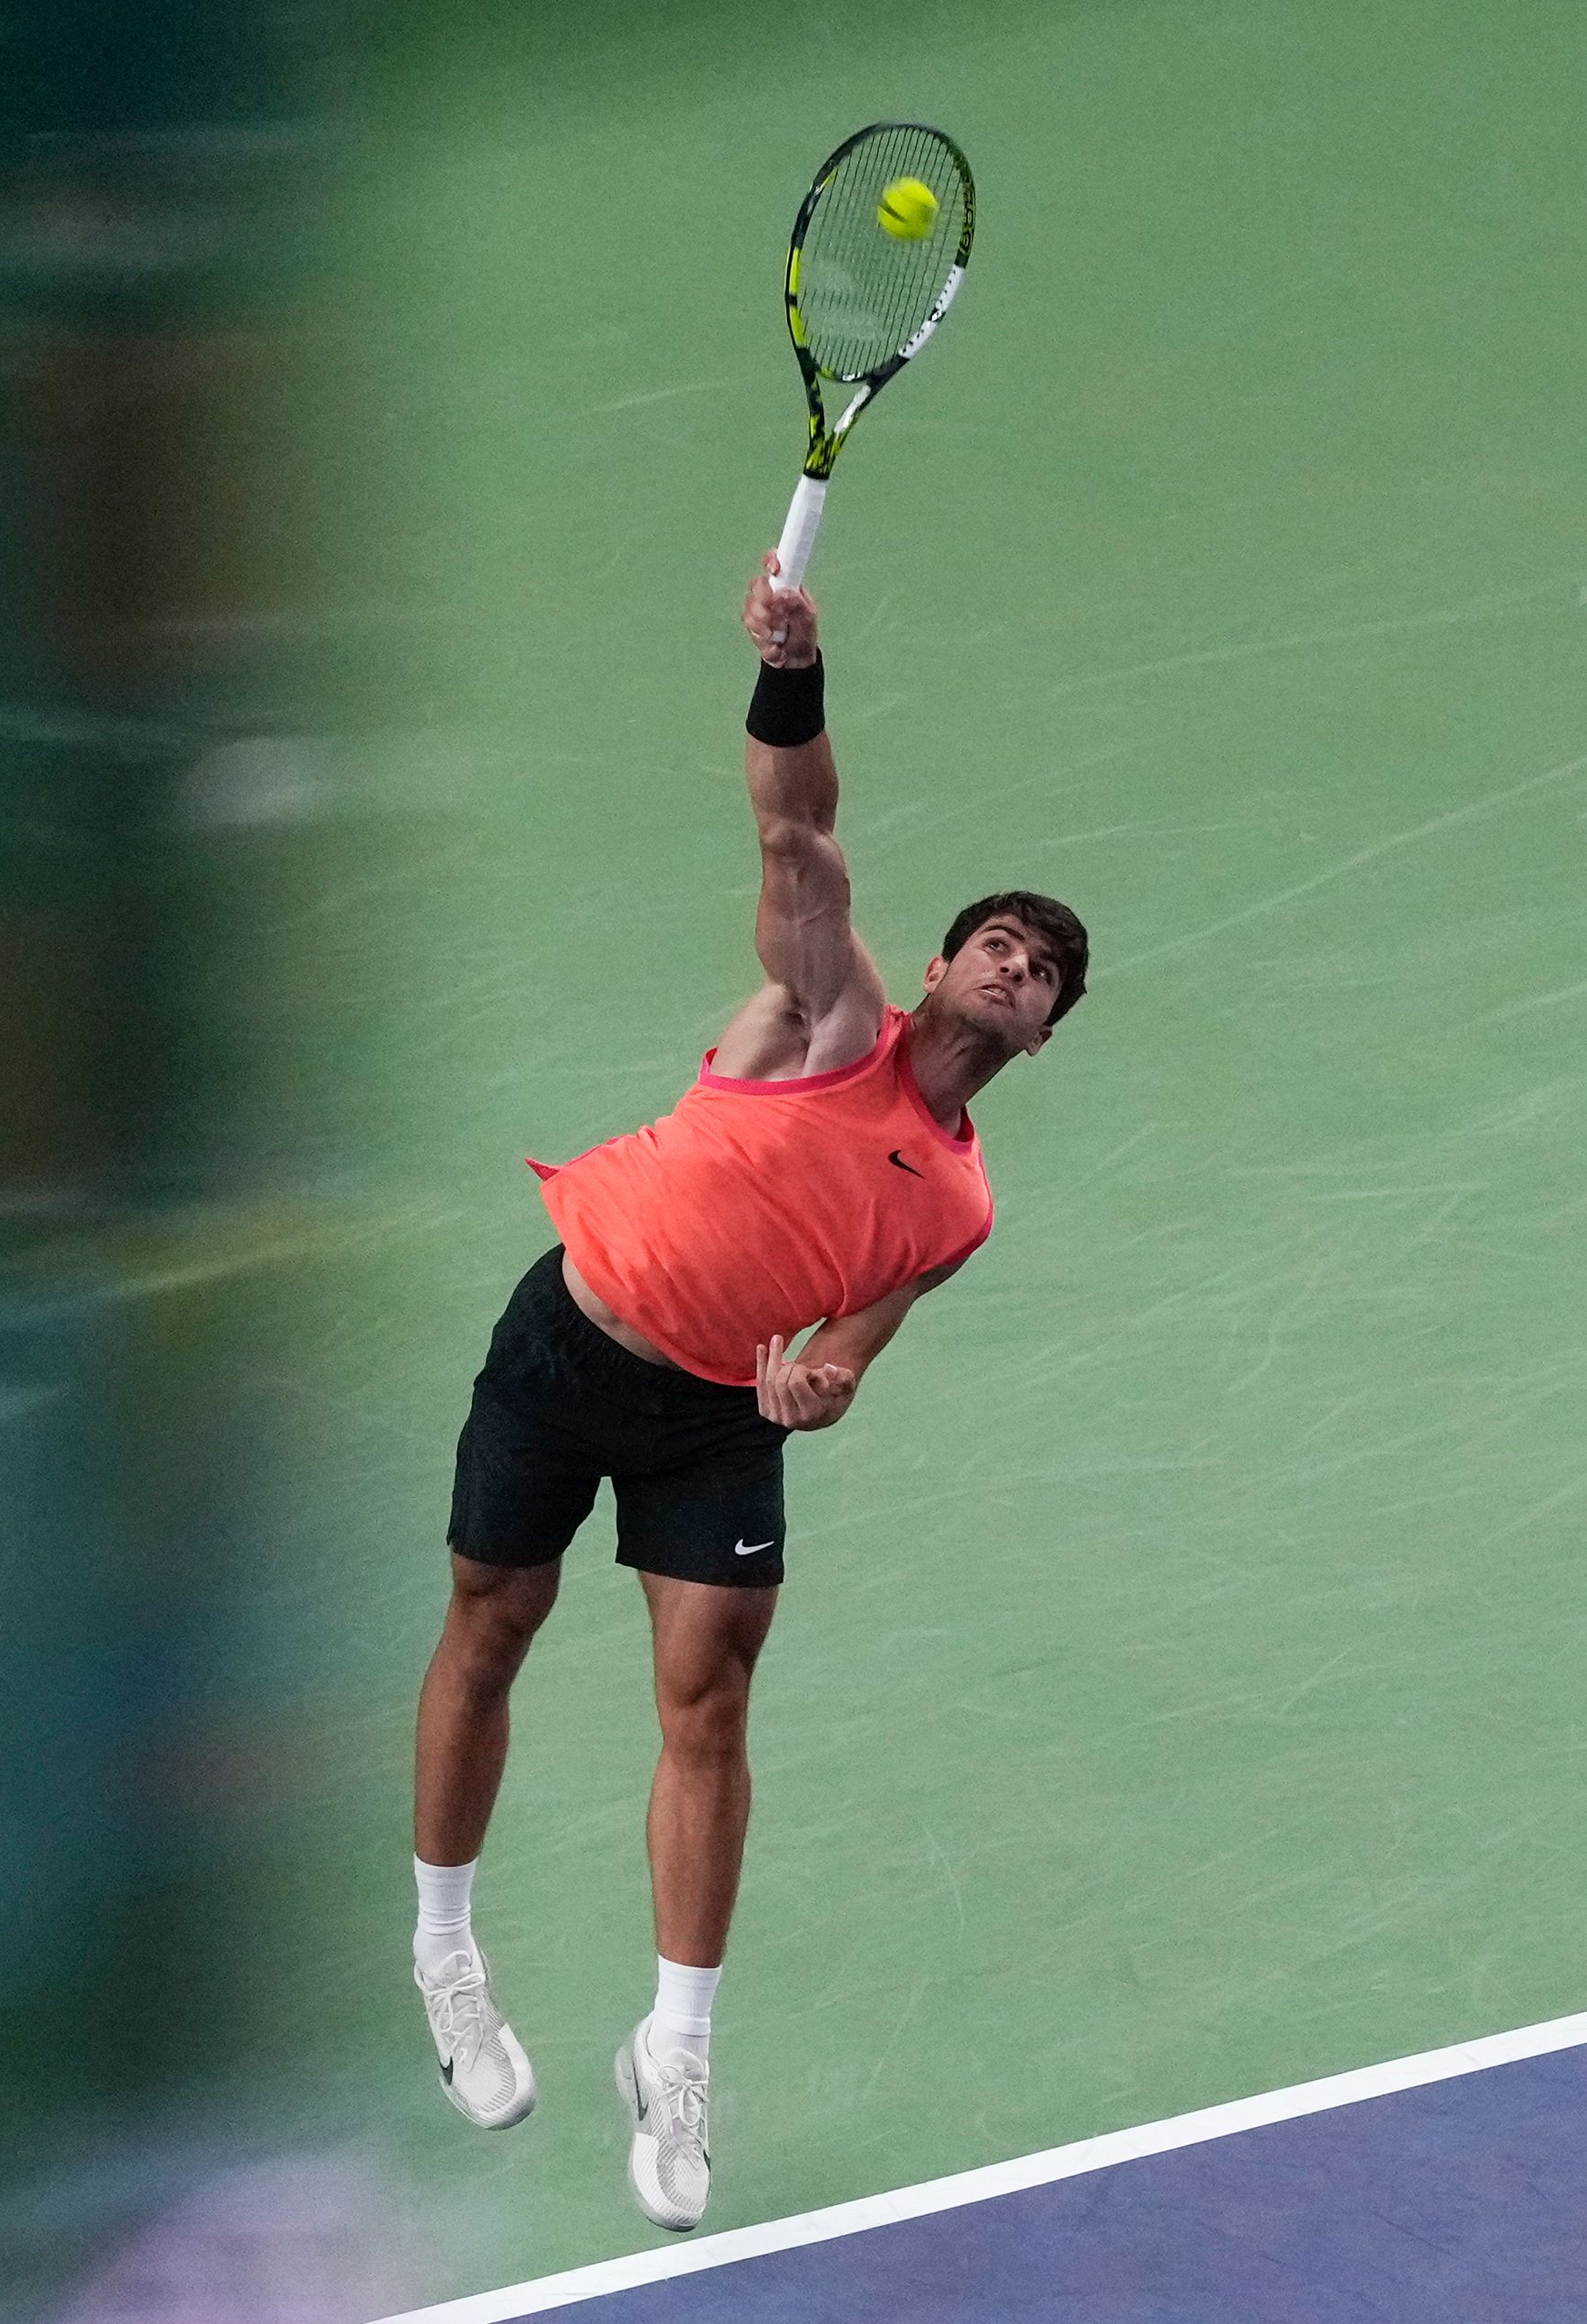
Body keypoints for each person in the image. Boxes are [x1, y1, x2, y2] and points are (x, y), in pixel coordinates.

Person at [408, 552, 1090, 2232]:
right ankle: (443, 1949)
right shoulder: (823, 1006)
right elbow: (796, 836)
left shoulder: (961, 1201)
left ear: (1049, 1032)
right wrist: (793, 673)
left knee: (707, 1708)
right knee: (491, 1629)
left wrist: (829, 1390)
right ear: (935, 969)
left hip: (717, 1414)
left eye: (1042, 973)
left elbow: (863, 1329)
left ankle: (680, 2053)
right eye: (994, 943)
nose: (1013, 968)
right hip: (570, 1341)